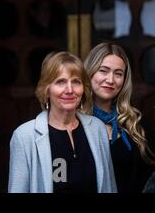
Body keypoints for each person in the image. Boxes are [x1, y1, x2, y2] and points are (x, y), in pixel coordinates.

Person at [8, 51, 117, 193]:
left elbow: (109, 187)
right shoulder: (24, 136)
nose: (70, 90)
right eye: (61, 82)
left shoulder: (97, 129)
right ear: (46, 90)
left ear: (83, 89)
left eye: (76, 82)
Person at [84, 42, 155, 193]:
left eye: (118, 73)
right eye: (103, 71)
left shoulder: (134, 122)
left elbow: (146, 177)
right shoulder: (73, 120)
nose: (111, 80)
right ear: (89, 73)